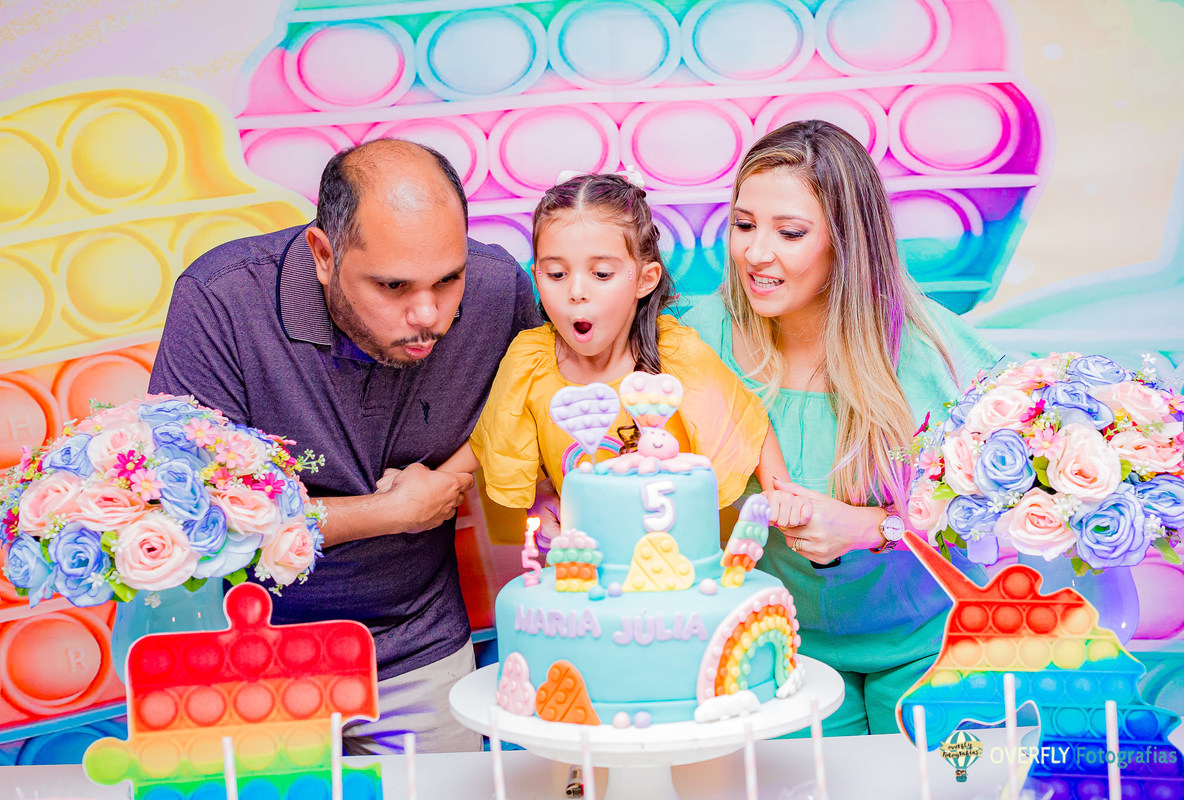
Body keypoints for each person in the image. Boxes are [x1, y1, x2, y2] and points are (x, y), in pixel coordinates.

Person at [148, 139, 541, 753]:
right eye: (393, 285)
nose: (429, 313)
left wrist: (454, 475)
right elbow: (186, 517)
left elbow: (534, 411)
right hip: (257, 660)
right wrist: (390, 513)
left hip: (422, 648)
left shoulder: (496, 289)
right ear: (324, 255)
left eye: (448, 278)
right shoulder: (222, 301)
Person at [683, 120, 1002, 735]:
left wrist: (873, 527)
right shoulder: (701, 336)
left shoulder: (931, 351)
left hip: (930, 647)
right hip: (780, 655)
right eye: (744, 225)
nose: (755, 253)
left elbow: (1009, 505)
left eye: (791, 232)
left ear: (847, 243)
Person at [443, 171, 803, 534]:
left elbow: (747, 423)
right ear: (536, 276)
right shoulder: (530, 361)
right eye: (556, 274)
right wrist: (435, 483)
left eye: (601, 274)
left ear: (645, 279)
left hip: (668, 564)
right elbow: (491, 439)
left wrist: (781, 494)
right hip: (581, 564)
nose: (577, 292)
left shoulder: (674, 356)